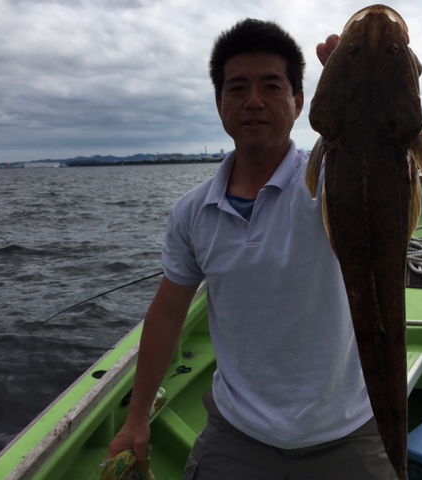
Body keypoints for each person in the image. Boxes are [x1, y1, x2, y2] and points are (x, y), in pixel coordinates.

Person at [108, 18, 396, 480]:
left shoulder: (331, 181)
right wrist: (137, 416)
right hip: (237, 432)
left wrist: (382, 91)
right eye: (237, 88)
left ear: (300, 101)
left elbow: (385, 169)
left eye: (272, 86)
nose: (254, 101)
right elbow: (166, 315)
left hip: (348, 428)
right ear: (220, 104)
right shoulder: (192, 212)